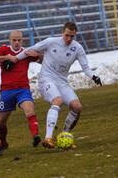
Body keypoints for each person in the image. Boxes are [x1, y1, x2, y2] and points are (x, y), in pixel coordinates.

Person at [11, 21, 102, 149]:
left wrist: (93, 76)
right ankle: (48, 138)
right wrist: (15, 59)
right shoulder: (50, 42)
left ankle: (65, 135)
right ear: (62, 33)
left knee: (77, 107)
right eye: (67, 35)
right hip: (46, 80)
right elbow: (29, 50)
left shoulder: (77, 48)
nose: (69, 39)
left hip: (62, 82)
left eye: (72, 36)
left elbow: (85, 66)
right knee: (57, 101)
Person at [0, 29, 43, 156]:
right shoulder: (4, 50)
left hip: (23, 89)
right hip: (7, 91)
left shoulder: (26, 53)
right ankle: (3, 144)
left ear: (22, 40)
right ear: (10, 40)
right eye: (14, 40)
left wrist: (37, 54)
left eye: (19, 40)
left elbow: (44, 61)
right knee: (0, 123)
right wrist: (6, 58)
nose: (17, 42)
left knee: (30, 111)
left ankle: (35, 136)